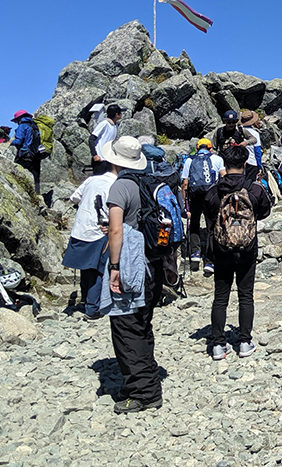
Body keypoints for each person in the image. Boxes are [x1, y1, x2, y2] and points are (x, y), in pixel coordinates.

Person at [98, 136, 163, 414]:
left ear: (115, 159)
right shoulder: (146, 182)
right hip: (153, 264)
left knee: (126, 328)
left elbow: (116, 230)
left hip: (130, 264)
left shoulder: (120, 186)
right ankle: (147, 377)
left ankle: (143, 393)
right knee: (142, 323)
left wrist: (114, 268)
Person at [203, 145, 272, 360]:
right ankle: (244, 342)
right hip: (247, 247)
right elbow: (264, 212)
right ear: (244, 164)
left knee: (220, 297)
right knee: (245, 295)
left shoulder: (213, 191)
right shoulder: (255, 189)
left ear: (224, 165)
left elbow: (209, 214)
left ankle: (217, 344)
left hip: (221, 249)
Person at [63, 169, 114, 309]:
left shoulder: (91, 180)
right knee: (98, 270)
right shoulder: (116, 184)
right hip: (100, 231)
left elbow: (74, 198)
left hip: (81, 228)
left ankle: (85, 299)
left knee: (85, 267)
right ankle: (93, 307)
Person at [181, 139, 225, 274]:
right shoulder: (217, 159)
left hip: (195, 197)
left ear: (197, 148)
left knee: (194, 224)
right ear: (210, 149)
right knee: (212, 227)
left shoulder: (189, 160)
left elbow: (185, 183)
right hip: (212, 196)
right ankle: (209, 261)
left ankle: (195, 254)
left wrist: (184, 203)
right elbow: (223, 176)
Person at [10, 109, 42, 193]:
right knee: (35, 176)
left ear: (19, 119)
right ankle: (38, 196)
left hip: (24, 155)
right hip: (36, 154)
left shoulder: (22, 126)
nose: (16, 122)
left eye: (16, 120)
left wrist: (10, 142)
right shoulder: (35, 126)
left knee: (15, 173)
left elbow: (18, 141)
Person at [89, 104, 123, 176]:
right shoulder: (104, 124)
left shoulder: (115, 125)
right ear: (117, 114)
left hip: (108, 158)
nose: (121, 114)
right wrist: (95, 155)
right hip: (100, 159)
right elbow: (92, 138)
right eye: (120, 113)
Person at [239, 110, 263, 182]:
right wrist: (259, 166)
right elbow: (257, 151)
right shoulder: (255, 134)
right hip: (252, 162)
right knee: (249, 184)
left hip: (239, 162)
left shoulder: (238, 131)